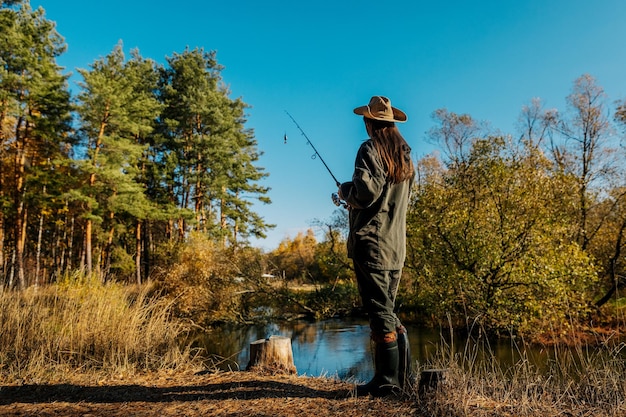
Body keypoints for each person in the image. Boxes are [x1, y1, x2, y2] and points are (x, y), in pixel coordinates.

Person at [337, 96, 415, 397]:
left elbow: (366, 192)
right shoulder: (406, 157)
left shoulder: (370, 149)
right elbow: (389, 199)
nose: (365, 124)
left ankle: (386, 383)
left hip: (372, 245)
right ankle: (402, 379)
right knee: (388, 311)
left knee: (380, 314)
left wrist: (346, 192)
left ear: (372, 123)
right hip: (396, 247)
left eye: (366, 120)